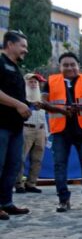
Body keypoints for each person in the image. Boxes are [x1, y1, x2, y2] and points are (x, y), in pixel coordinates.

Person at [40, 52, 82, 213]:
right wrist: (60, 110)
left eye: (73, 64)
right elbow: (44, 101)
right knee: (59, 166)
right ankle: (63, 200)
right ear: (60, 66)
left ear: (78, 66)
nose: (70, 67)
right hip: (60, 130)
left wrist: (81, 107)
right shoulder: (51, 81)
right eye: (66, 65)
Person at [0, 30, 31, 220]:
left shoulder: (15, 67)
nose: (25, 51)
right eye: (23, 46)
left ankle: (6, 202)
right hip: (1, 125)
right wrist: (18, 104)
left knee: (13, 165)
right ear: (10, 44)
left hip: (16, 127)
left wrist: (28, 103)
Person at [15, 73, 47, 194]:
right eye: (31, 82)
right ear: (25, 83)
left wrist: (46, 133)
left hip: (40, 129)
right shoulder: (21, 97)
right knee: (21, 158)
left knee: (37, 159)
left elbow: (44, 116)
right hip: (26, 128)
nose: (33, 84)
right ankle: (19, 184)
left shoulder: (41, 98)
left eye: (35, 82)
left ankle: (31, 183)